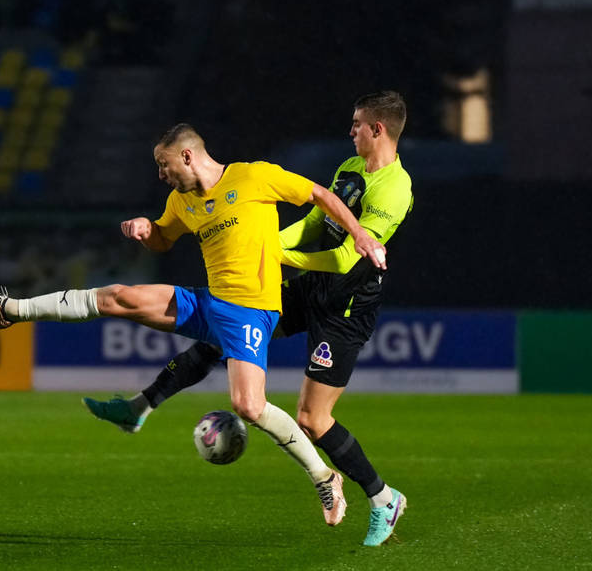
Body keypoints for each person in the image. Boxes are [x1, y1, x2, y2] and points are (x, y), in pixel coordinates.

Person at [0, 122, 388, 527]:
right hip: (208, 303)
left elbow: (318, 195)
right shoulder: (181, 203)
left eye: (164, 165)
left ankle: (324, 477)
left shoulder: (254, 177)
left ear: (187, 156)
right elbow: (163, 238)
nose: (162, 174)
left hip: (251, 311)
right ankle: (12, 309)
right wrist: (147, 230)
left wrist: (361, 236)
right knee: (120, 297)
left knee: (248, 406)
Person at [83, 91, 413, 546]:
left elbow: (345, 259)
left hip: (347, 304)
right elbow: (317, 221)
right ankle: (138, 407)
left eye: (357, 123)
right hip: (310, 287)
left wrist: (274, 253)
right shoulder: (349, 170)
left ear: (378, 129)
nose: (350, 130)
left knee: (313, 419)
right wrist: (270, 244)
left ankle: (383, 499)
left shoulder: (395, 189)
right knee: (226, 332)